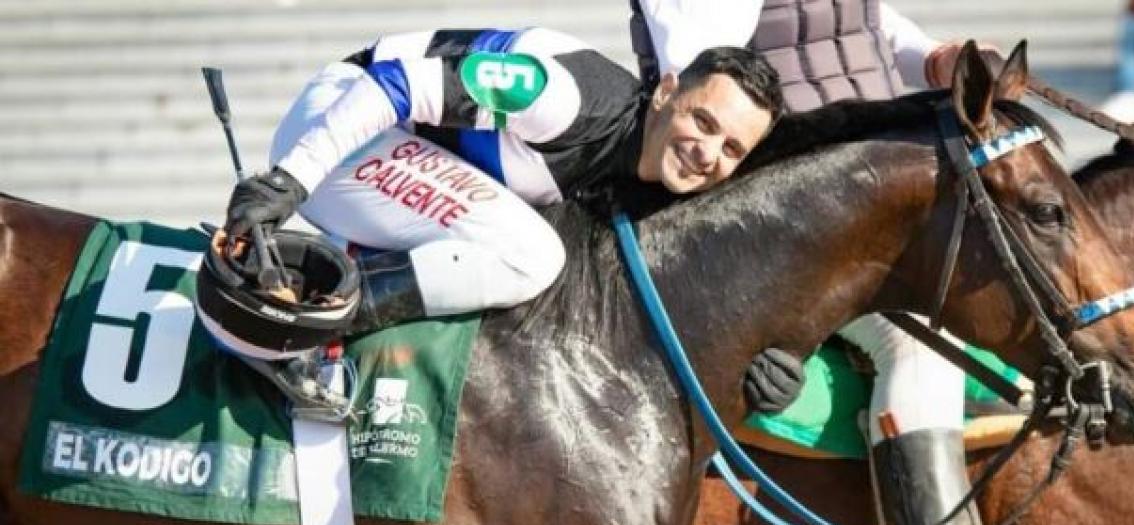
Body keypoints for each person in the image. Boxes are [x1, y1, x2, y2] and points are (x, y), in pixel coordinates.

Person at [629, 2, 1099, 525]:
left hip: (860, 195)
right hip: (780, 215)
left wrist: (932, 57)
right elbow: (700, 72)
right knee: (917, 348)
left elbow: (857, 29)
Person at [200, 28, 783, 366]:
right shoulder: (565, 100)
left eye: (732, 149)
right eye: (704, 122)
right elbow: (397, 85)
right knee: (534, 255)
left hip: (384, 160)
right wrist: (289, 179)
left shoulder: (657, 174)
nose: (708, 153)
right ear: (666, 93)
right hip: (342, 124)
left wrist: (768, 360)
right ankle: (314, 335)